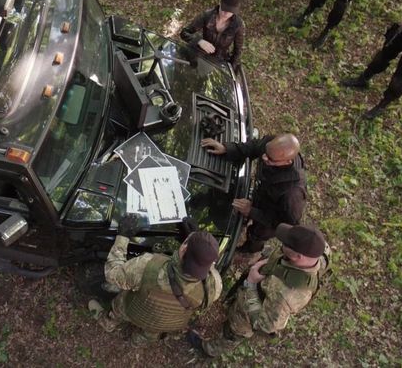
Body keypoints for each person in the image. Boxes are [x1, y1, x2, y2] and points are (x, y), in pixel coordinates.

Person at [187, 223, 330, 357]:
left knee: (231, 334)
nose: (281, 244)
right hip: (250, 292)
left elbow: (264, 326)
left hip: (245, 317)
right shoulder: (318, 252)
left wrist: (250, 284)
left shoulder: (287, 295)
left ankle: (209, 350)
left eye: (285, 244)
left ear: (298, 257)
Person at [88, 215, 223, 344]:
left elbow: (112, 274)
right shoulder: (215, 285)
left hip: (135, 311)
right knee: (153, 329)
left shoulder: (147, 266)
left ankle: (109, 323)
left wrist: (122, 236)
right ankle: (138, 341)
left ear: (183, 249)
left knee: (119, 307)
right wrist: (197, 242)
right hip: (167, 322)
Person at [200, 134, 306, 255]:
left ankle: (250, 249)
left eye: (270, 159)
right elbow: (254, 146)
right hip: (260, 195)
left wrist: (252, 211)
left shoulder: (292, 194)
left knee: (257, 235)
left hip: (268, 218)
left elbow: (284, 224)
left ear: (288, 161)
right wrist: (227, 148)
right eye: (265, 153)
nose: (264, 158)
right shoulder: (272, 146)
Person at [180, 0, 245, 70]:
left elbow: (237, 51)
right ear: (220, 3)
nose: (226, 14)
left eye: (230, 11)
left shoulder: (238, 24)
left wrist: (231, 71)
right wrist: (199, 41)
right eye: (224, 9)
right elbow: (184, 33)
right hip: (200, 54)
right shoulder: (207, 16)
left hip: (219, 61)